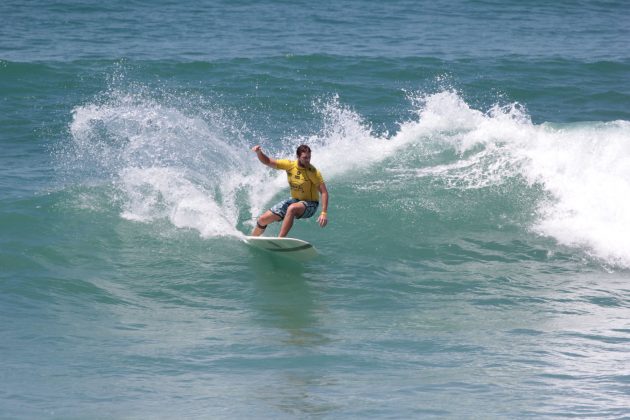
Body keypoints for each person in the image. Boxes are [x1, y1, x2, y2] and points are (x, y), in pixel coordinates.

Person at [250, 144, 328, 237]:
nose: (308, 160)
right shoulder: (290, 165)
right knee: (262, 220)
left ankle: (280, 240)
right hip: (295, 200)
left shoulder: (313, 172)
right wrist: (259, 152)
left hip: (310, 205)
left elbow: (324, 192)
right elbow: (267, 161)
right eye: (305, 157)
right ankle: (253, 238)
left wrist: (323, 213)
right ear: (298, 157)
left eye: (309, 157)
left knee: (292, 208)